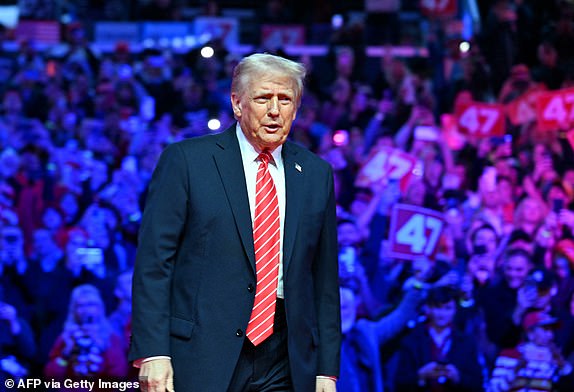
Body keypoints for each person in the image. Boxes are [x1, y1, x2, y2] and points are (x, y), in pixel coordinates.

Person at [129, 53, 341, 392]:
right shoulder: (187, 161)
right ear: (237, 103)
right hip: (202, 351)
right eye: (263, 98)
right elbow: (155, 264)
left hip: (287, 356)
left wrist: (326, 370)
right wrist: (153, 350)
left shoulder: (316, 174)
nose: (275, 110)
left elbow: (325, 280)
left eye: (285, 99)